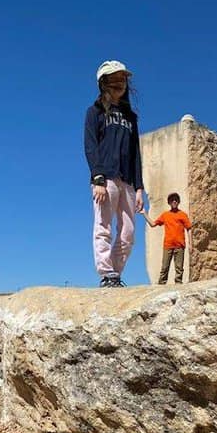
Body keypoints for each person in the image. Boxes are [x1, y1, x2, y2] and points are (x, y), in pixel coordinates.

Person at [84, 60, 145, 287]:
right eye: (114, 78)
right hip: (105, 178)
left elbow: (136, 153)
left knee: (128, 232)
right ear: (103, 83)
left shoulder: (131, 118)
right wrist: (97, 178)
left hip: (128, 181)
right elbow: (90, 146)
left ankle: (116, 274)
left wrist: (139, 187)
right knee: (103, 226)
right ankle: (106, 273)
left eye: (123, 79)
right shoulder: (95, 112)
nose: (120, 83)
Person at [143, 193, 193, 284]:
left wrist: (190, 244)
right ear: (169, 202)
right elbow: (153, 224)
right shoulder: (165, 215)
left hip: (180, 245)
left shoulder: (183, 215)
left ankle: (178, 284)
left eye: (176, 200)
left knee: (179, 268)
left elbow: (189, 229)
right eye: (172, 200)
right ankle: (161, 285)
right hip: (168, 245)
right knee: (164, 268)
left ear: (178, 202)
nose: (174, 201)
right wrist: (144, 213)